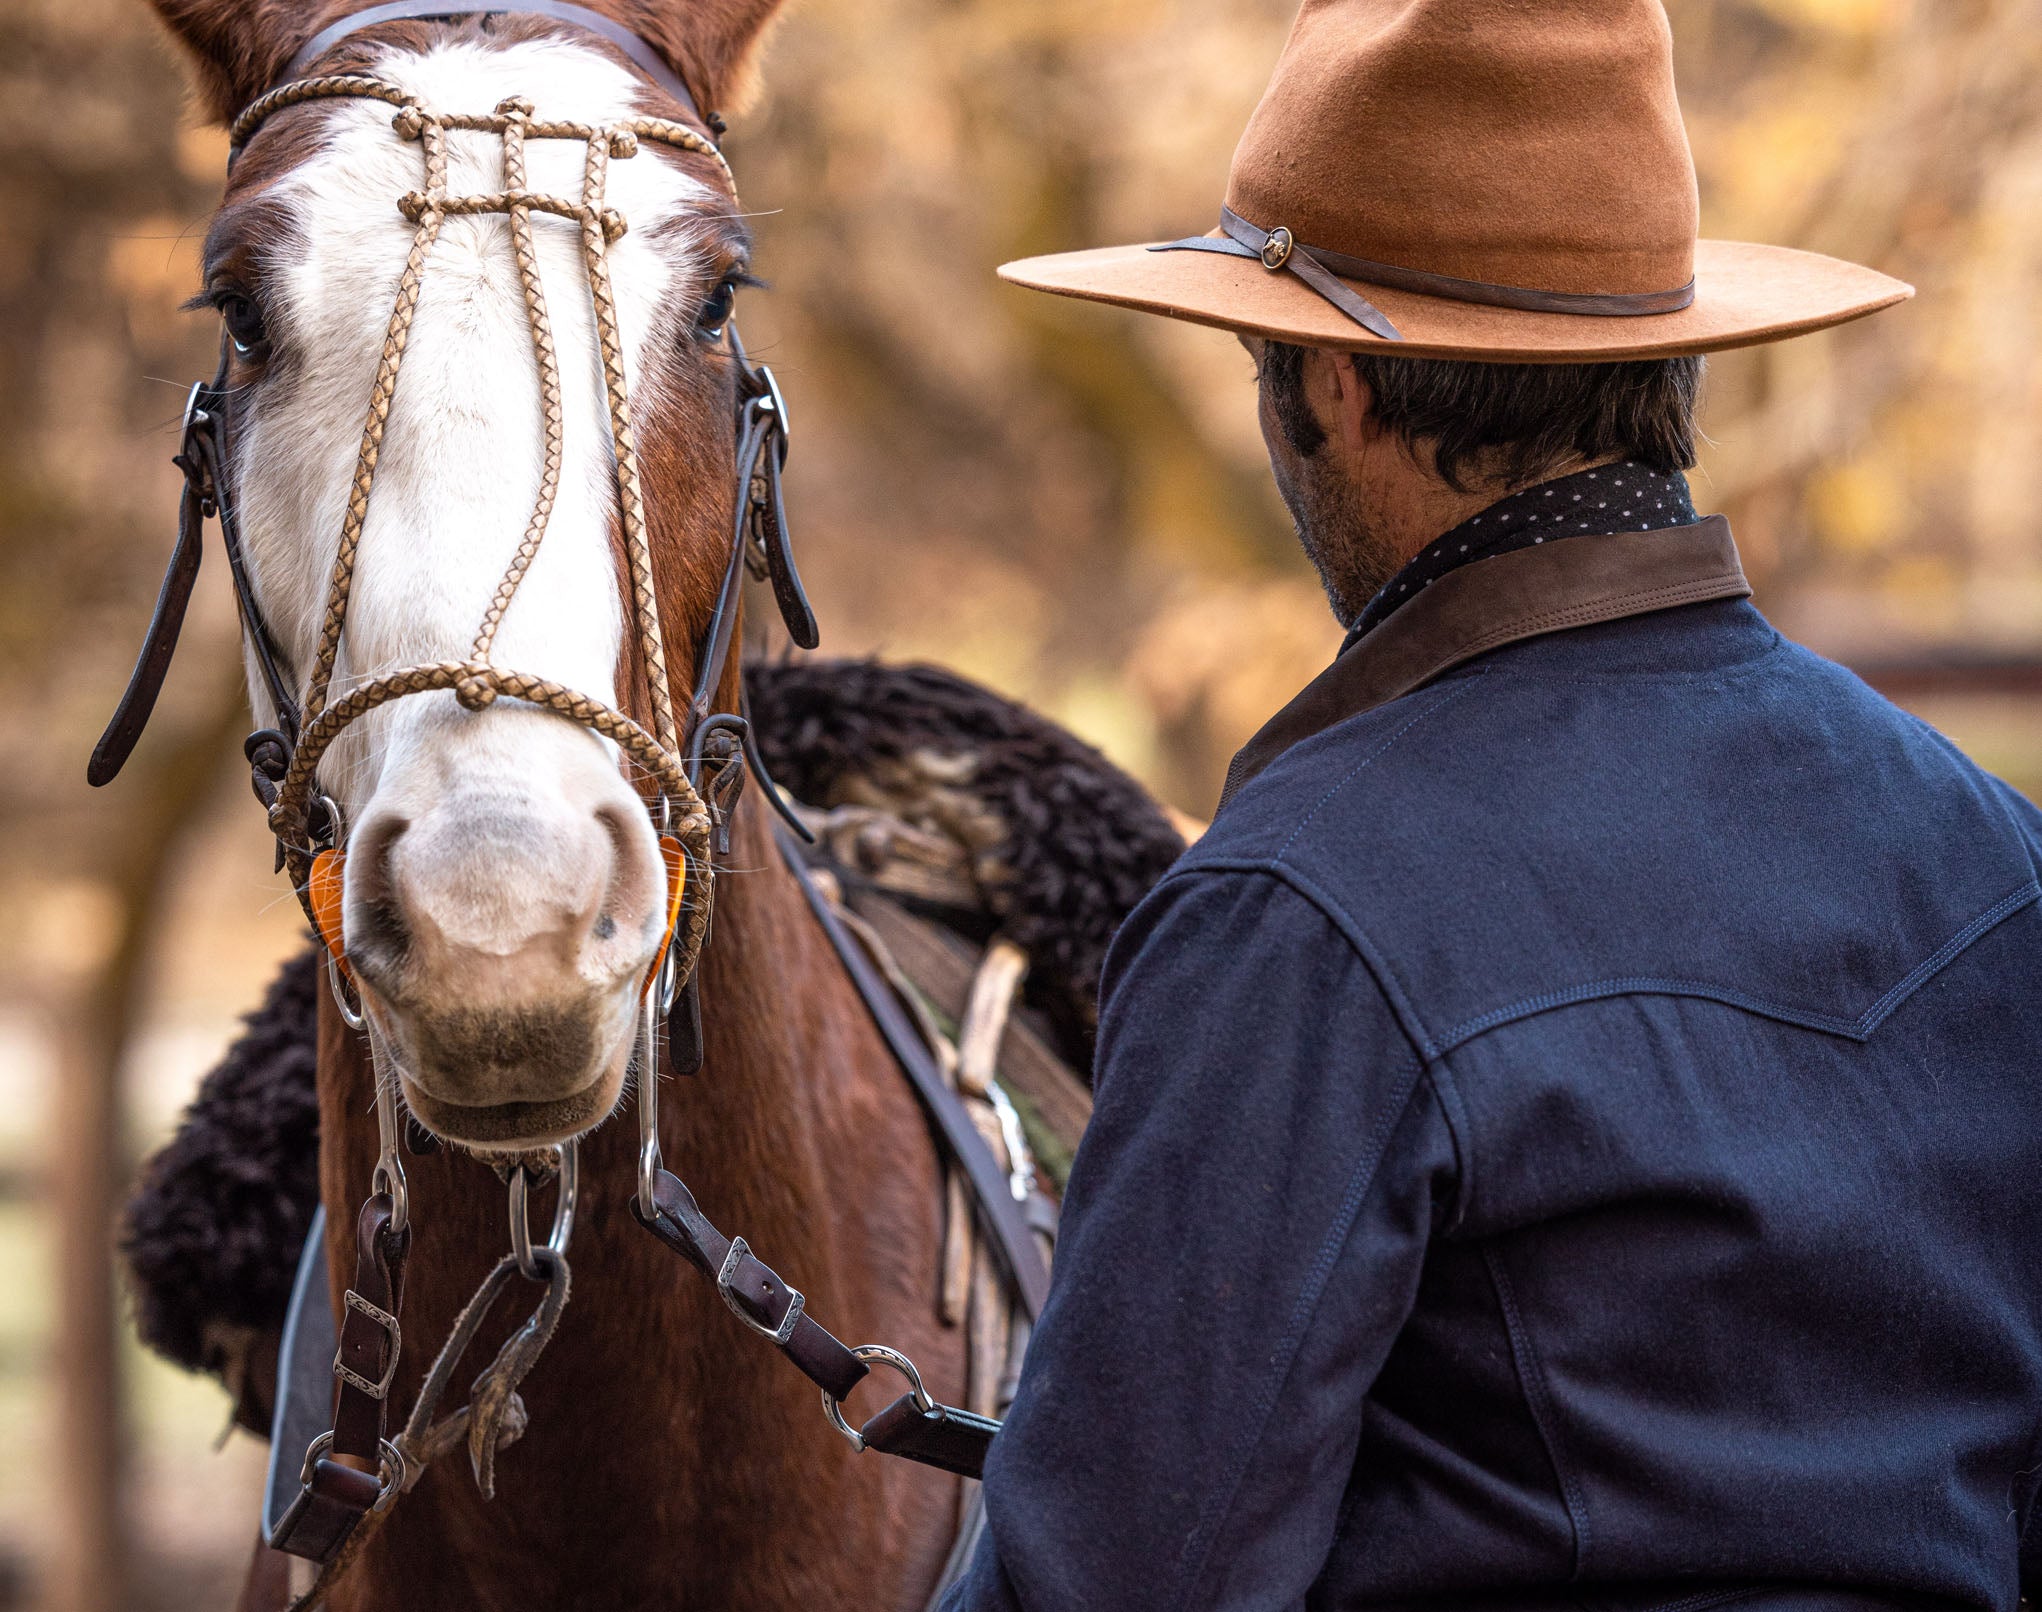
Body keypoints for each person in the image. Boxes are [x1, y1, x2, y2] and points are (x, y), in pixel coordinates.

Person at [943, 2, 2042, 1608]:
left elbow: (1116, 1578)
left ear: (1335, 390)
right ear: (1661, 368)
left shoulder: (1297, 911)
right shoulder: (1988, 851)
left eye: (1262, 366)